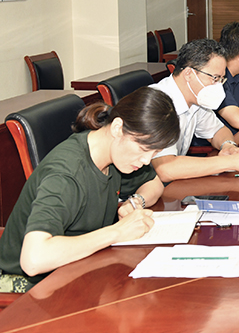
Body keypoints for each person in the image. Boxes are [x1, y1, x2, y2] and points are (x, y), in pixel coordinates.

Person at [0, 87, 180, 292]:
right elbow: (33, 260)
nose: (147, 160)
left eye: (154, 153)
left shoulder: (113, 155)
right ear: (117, 128)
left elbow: (155, 183)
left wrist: (136, 201)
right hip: (27, 287)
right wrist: (117, 232)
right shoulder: (66, 175)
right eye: (143, 149)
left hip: (78, 268)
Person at [150, 39, 239, 183]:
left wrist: (228, 146)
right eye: (215, 78)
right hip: (148, 187)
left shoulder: (195, 98)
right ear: (189, 74)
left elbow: (218, 131)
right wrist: (229, 162)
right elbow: (166, 169)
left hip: (176, 181)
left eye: (221, 79)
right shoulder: (157, 103)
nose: (218, 86)